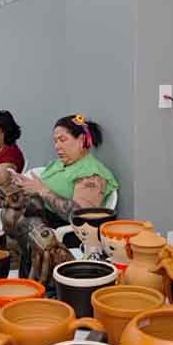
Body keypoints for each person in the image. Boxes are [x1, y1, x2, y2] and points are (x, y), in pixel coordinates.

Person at [11, 114, 119, 277]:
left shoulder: (91, 173)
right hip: (40, 221)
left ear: (82, 140)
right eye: (55, 141)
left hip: (66, 233)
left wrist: (41, 190)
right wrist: (25, 184)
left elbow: (80, 216)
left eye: (63, 140)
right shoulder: (58, 164)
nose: (57, 146)